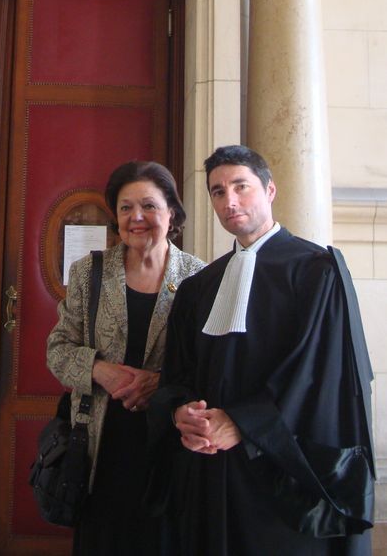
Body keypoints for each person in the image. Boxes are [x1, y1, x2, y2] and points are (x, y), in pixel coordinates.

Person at [148, 144, 375, 556]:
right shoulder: (200, 286)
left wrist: (245, 425)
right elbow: (178, 372)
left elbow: (318, 373)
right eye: (218, 191)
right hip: (212, 468)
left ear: (269, 190)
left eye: (241, 186)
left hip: (283, 472)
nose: (229, 200)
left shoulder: (317, 271)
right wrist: (181, 412)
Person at [46, 160, 205, 556]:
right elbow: (58, 350)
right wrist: (101, 371)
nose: (137, 217)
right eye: (125, 207)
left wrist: (160, 382)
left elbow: (210, 364)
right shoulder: (90, 273)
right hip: (101, 444)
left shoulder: (198, 279)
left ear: (172, 212)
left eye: (149, 206)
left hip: (168, 443)